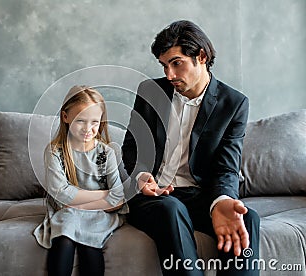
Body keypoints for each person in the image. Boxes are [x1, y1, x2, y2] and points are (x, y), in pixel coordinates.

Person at [122, 20, 260, 275]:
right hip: (155, 196)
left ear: (202, 57)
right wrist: (142, 178)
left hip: (199, 195)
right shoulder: (150, 91)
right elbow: (131, 148)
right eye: (165, 66)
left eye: (176, 63)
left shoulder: (234, 103)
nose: (169, 75)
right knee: (171, 209)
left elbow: (227, 167)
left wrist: (221, 201)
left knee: (247, 218)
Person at [33, 85, 127, 276]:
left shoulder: (106, 153)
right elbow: (62, 194)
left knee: (90, 245)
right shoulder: (55, 152)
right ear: (65, 117)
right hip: (66, 211)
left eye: (94, 122)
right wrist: (103, 194)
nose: (88, 128)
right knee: (64, 237)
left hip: (99, 214)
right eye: (80, 121)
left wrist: (81, 203)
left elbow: (117, 197)